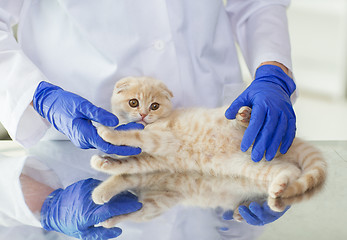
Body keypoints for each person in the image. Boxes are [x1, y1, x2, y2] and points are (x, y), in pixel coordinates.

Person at [0, 0, 296, 239]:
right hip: (75, 145)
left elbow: (257, 3)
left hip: (210, 141)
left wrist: (273, 71)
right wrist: (35, 95)